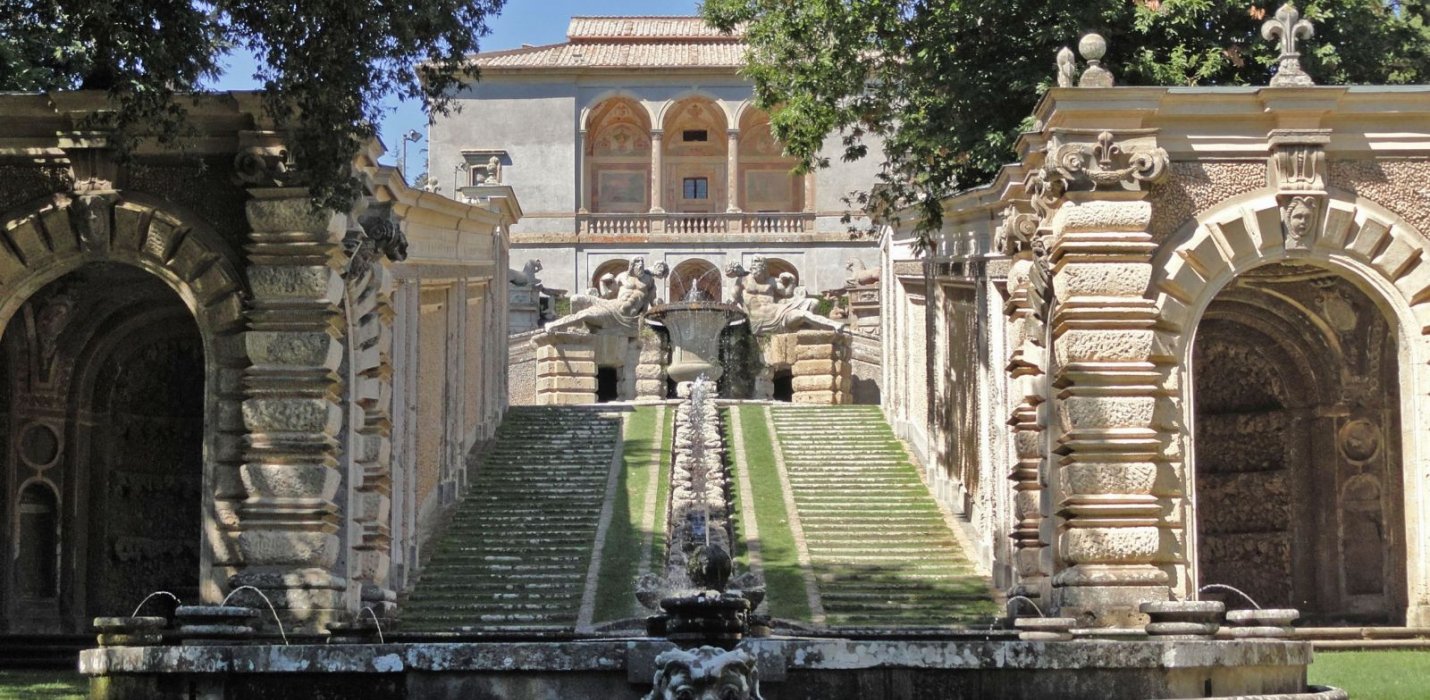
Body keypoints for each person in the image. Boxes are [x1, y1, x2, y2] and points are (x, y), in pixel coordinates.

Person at [544, 256, 668, 335]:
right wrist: (603, 282)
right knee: (576, 299)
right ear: (631, 265)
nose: (639, 266)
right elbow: (607, 294)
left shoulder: (649, 281)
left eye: (641, 263)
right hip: (611, 304)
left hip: (622, 316)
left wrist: (658, 305)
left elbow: (652, 304)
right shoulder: (622, 277)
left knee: (586, 314)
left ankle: (554, 325)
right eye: (636, 263)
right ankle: (579, 328)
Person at [726, 256, 844, 335]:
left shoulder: (772, 281)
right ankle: (832, 325)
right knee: (803, 314)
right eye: (753, 267)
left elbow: (788, 294)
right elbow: (733, 297)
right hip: (756, 318)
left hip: (777, 313)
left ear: (764, 269)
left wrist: (792, 280)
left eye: (758, 268)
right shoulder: (743, 280)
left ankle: (820, 327)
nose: (755, 270)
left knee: (813, 303)